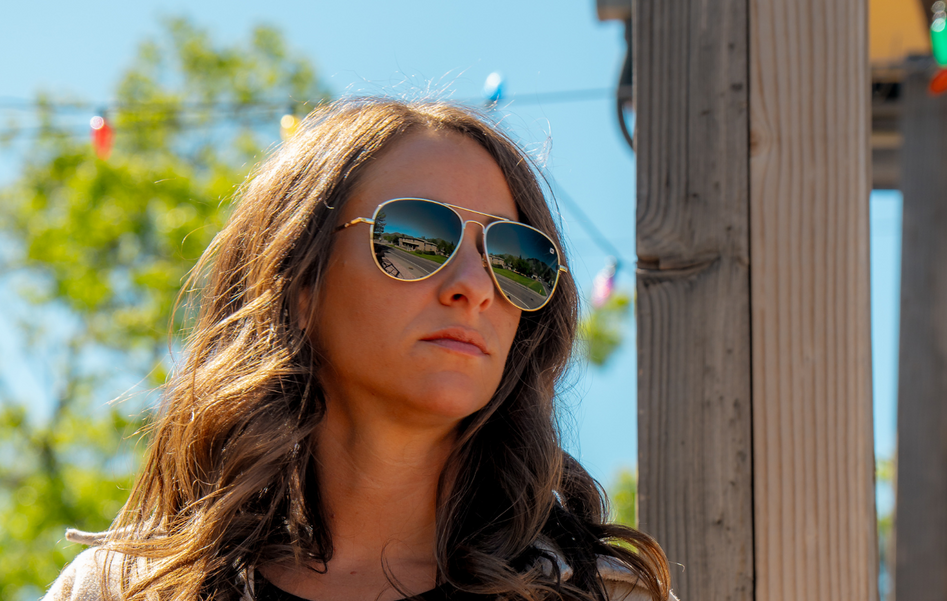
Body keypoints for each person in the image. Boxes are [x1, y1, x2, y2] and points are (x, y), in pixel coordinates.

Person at [43, 97, 674, 601]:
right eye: (419, 238)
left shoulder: (604, 595)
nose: (476, 288)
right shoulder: (121, 591)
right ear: (298, 283)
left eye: (515, 259)